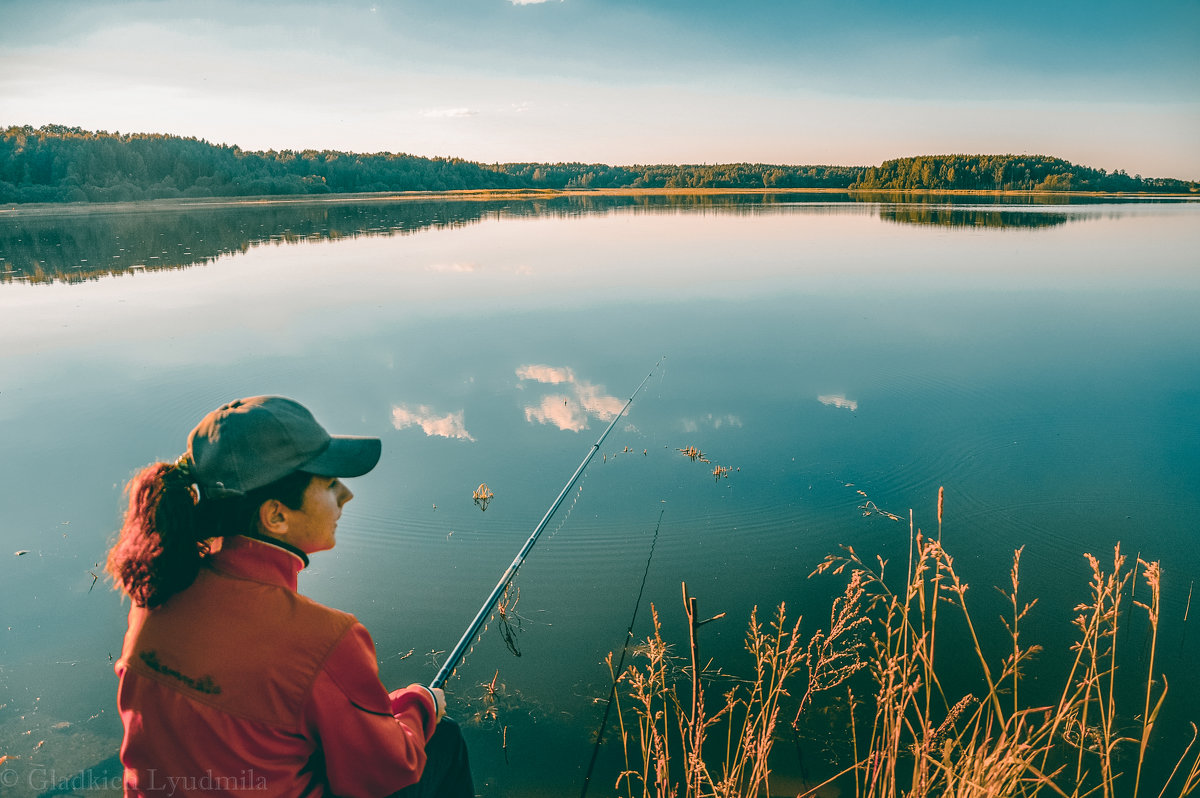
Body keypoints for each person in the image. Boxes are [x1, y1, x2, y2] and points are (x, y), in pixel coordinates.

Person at [107, 396, 474, 797]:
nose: (347, 496)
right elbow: (386, 771)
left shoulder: (154, 596)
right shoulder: (326, 639)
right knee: (443, 740)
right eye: (331, 483)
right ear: (276, 516)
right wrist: (421, 704)